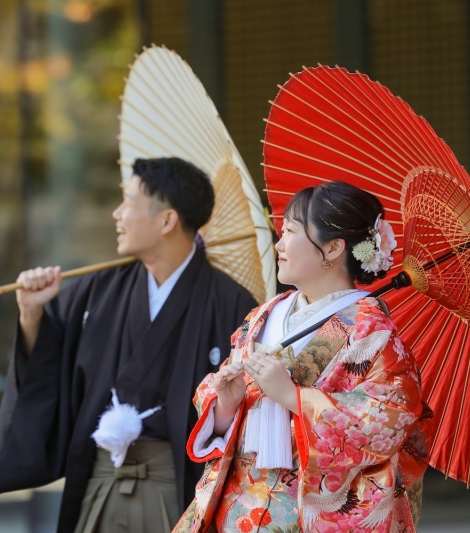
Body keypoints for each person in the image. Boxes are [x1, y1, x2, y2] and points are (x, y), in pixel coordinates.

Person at [0, 157, 258, 533]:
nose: (117, 214)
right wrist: (32, 313)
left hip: (180, 490)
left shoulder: (231, 304)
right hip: (101, 481)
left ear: (167, 220)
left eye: (129, 202)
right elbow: (47, 372)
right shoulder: (96, 293)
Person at [174, 181, 432, 533]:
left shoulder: (371, 332)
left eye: (291, 232)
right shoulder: (263, 315)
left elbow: (388, 419)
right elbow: (221, 408)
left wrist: (293, 396)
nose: (279, 244)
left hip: (309, 514)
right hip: (238, 510)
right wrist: (226, 405)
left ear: (333, 248)